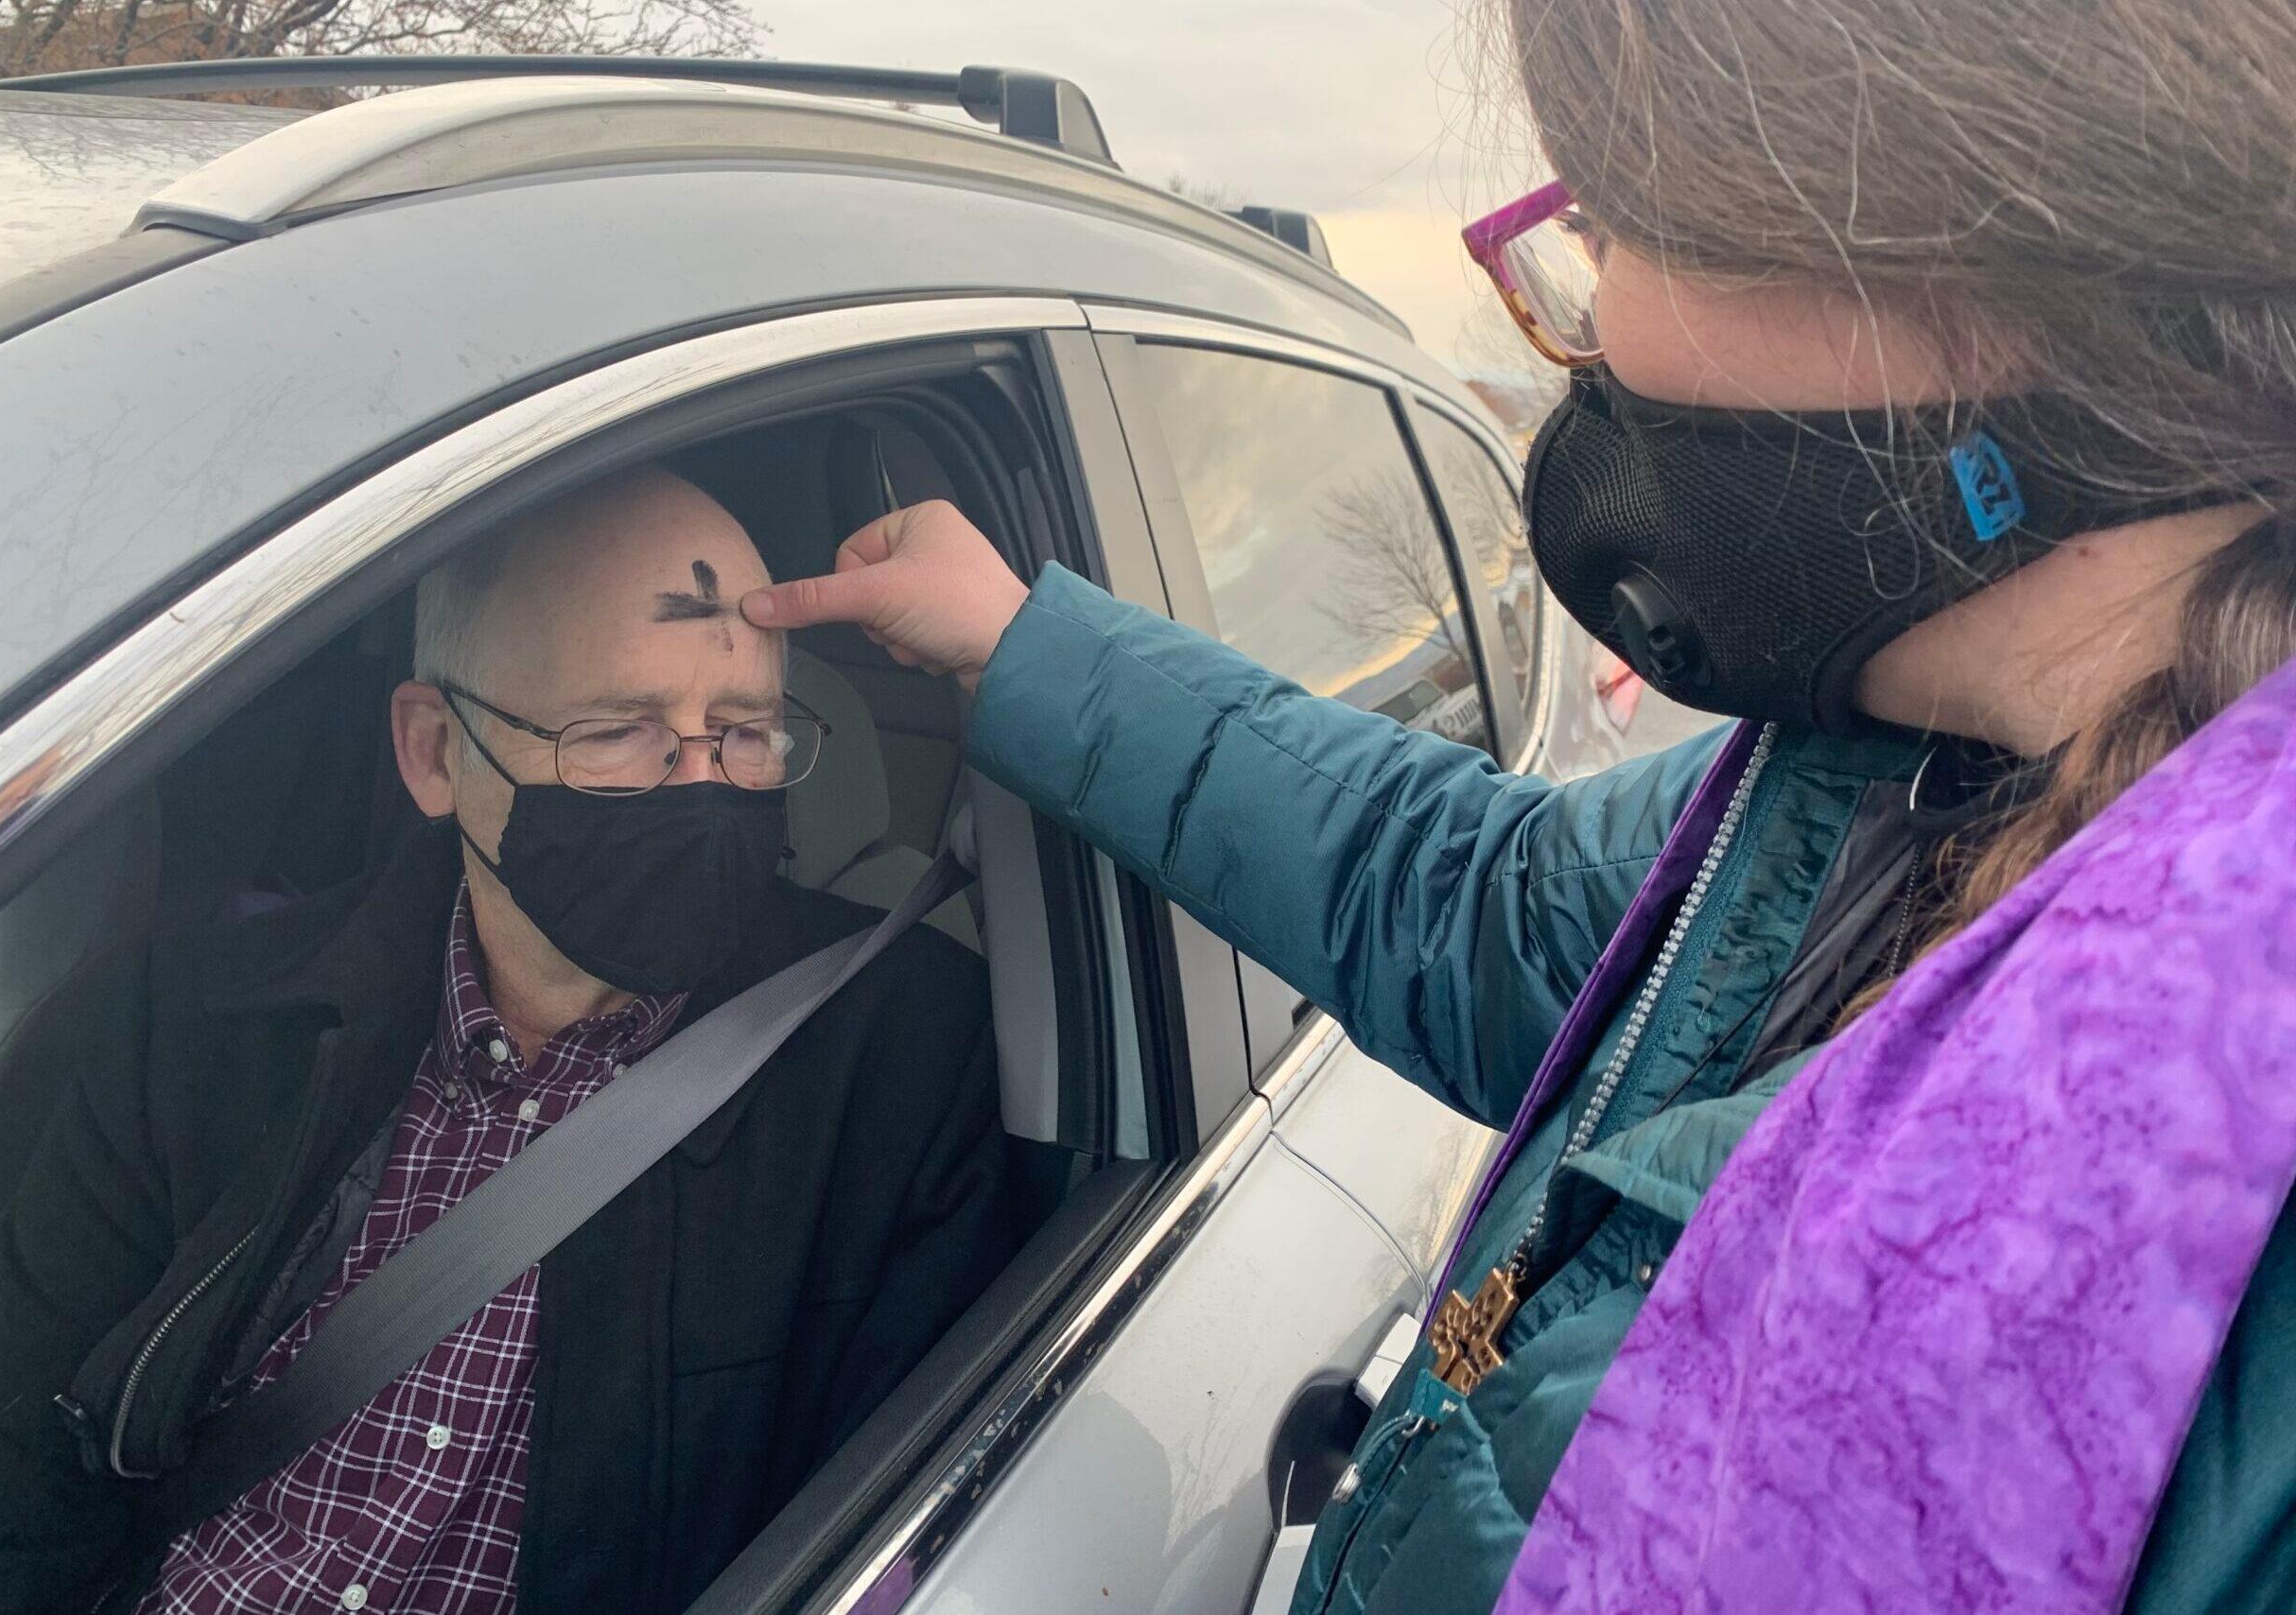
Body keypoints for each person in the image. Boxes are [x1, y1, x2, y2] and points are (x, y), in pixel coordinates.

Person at [740, 0, 2296, 1606]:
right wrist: (1024, 646)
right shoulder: (1868, 768)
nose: (1585, 328)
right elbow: (1485, 900)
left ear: (1974, 265)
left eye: (1612, 225)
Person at [0, 468, 1015, 1612]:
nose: (704, 786)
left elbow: (884, 1542)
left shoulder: (900, 1067)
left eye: (746, 732)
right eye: (617, 733)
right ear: (433, 751)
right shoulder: (201, 1022)